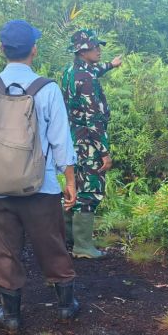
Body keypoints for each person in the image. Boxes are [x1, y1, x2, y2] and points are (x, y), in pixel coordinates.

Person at [0, 20, 78, 332]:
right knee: (52, 243)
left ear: (2, 49)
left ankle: (12, 315)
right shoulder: (48, 89)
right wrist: (68, 180)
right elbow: (60, 140)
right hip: (40, 186)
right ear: (34, 49)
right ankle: (66, 306)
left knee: (3, 249)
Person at [61, 30, 122, 259]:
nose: (99, 49)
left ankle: (68, 237)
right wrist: (104, 152)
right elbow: (93, 119)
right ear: (82, 51)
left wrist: (111, 65)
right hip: (88, 143)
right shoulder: (86, 80)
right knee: (90, 190)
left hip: (73, 140)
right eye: (94, 46)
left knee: (73, 186)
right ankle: (83, 246)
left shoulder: (71, 72)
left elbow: (95, 70)